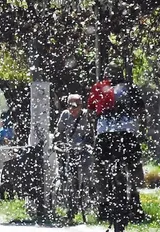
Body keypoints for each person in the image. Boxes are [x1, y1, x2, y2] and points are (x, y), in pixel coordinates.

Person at [90, 66, 145, 231]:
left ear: (106, 76)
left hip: (105, 135)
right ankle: (135, 201)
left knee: (99, 166)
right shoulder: (131, 88)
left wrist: (95, 134)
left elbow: (91, 113)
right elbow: (141, 111)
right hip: (127, 133)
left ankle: (102, 202)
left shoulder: (99, 87)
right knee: (134, 164)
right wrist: (142, 132)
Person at [54, 94, 93, 224]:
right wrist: (58, 144)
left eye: (76, 106)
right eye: (70, 106)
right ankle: (71, 209)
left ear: (81, 106)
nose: (73, 109)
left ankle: (91, 202)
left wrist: (90, 144)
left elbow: (92, 133)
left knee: (88, 176)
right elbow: (59, 132)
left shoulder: (87, 115)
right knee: (70, 179)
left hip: (84, 151)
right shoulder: (65, 115)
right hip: (69, 151)